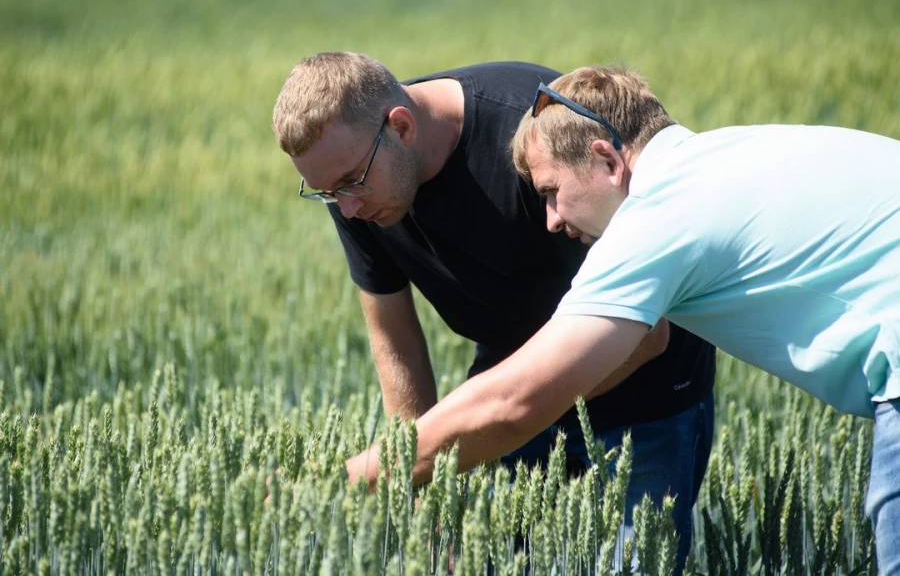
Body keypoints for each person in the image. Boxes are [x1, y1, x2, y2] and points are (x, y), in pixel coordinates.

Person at [344, 64, 899, 572]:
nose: (552, 221)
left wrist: (347, 480)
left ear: (607, 159)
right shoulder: (728, 152)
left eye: (552, 193)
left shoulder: (658, 219)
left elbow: (516, 402)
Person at [272, 53, 717, 572]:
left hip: (645, 396)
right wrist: (419, 478)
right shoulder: (353, 175)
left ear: (401, 126)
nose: (346, 208)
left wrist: (504, 416)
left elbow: (648, 336)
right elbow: (395, 340)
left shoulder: (533, 140)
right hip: (507, 393)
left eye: (349, 183)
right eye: (326, 193)